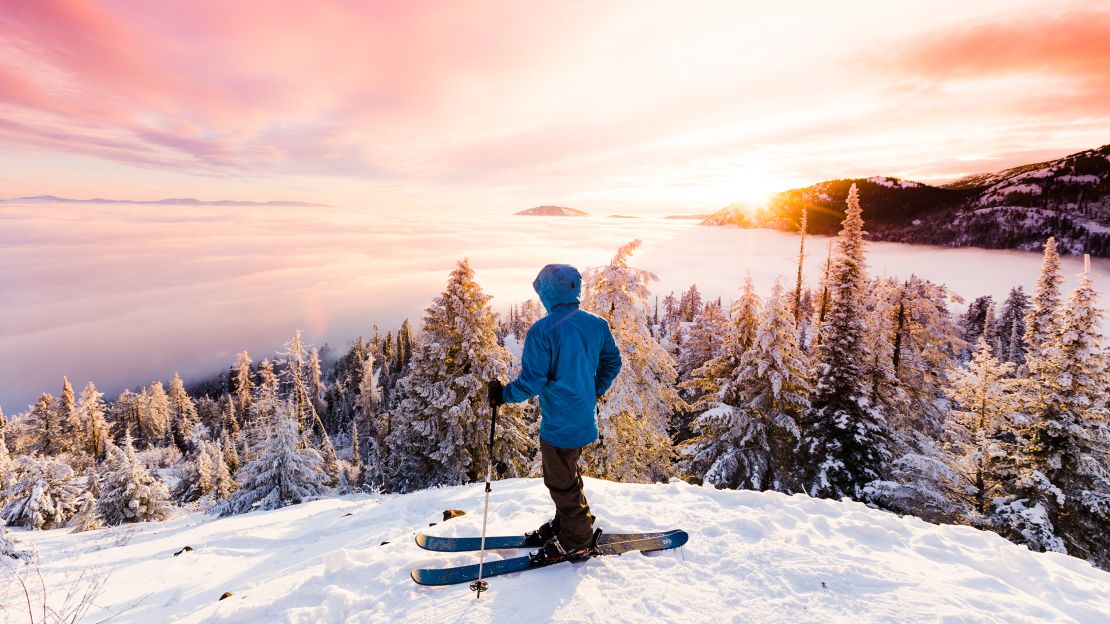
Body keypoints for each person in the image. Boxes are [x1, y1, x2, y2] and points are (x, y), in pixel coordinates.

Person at [489, 263, 622, 563]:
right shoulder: (596, 324)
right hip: (584, 420)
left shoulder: (542, 331)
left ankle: (577, 541)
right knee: (569, 475)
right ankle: (567, 524)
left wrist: (503, 395)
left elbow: (533, 381)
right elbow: (613, 362)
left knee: (560, 482)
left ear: (547, 293)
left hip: (559, 423)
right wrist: (593, 389)